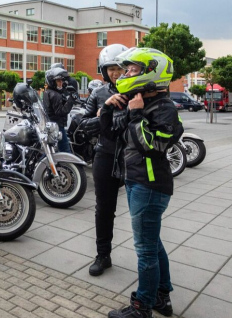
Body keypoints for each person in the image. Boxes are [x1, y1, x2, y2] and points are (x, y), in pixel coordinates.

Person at [101, 47, 183, 318]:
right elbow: (113, 133)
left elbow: (153, 145)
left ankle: (142, 307)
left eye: (132, 69)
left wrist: (135, 115)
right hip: (137, 182)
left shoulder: (164, 108)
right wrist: (108, 108)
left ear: (151, 72)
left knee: (145, 250)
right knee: (153, 243)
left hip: (150, 186)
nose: (126, 74)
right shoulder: (140, 101)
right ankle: (162, 298)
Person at [80, 44, 128, 277]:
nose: (116, 73)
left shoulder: (138, 91)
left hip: (133, 157)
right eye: (111, 69)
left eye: (120, 68)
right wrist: (103, 115)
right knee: (104, 209)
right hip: (105, 155)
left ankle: (147, 261)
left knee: (142, 213)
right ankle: (103, 255)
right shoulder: (98, 94)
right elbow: (81, 127)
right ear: (104, 70)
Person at [43, 67, 77, 153]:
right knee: (65, 149)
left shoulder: (47, 92)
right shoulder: (55, 95)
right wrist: (71, 99)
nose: (61, 83)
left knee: (50, 150)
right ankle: (69, 166)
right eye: (58, 81)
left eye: (61, 80)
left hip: (51, 124)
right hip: (58, 126)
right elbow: (61, 111)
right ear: (52, 82)